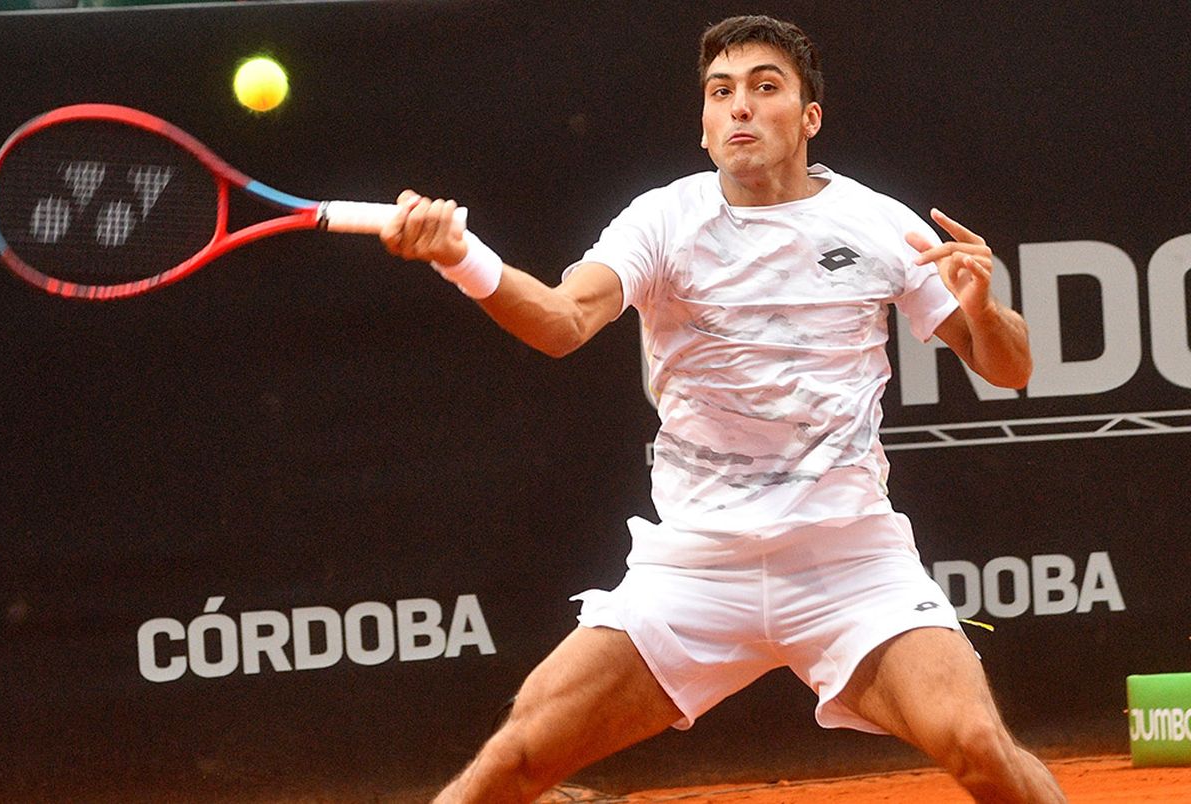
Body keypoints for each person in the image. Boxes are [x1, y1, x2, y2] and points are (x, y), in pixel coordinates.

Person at [381, 14, 1067, 804]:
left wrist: (983, 309)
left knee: (980, 747)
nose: (740, 106)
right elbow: (563, 322)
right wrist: (461, 257)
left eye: (765, 87)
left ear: (809, 118)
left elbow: (1009, 367)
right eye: (721, 92)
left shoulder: (879, 223)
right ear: (705, 126)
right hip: (695, 568)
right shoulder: (662, 220)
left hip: (849, 562)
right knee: (514, 761)